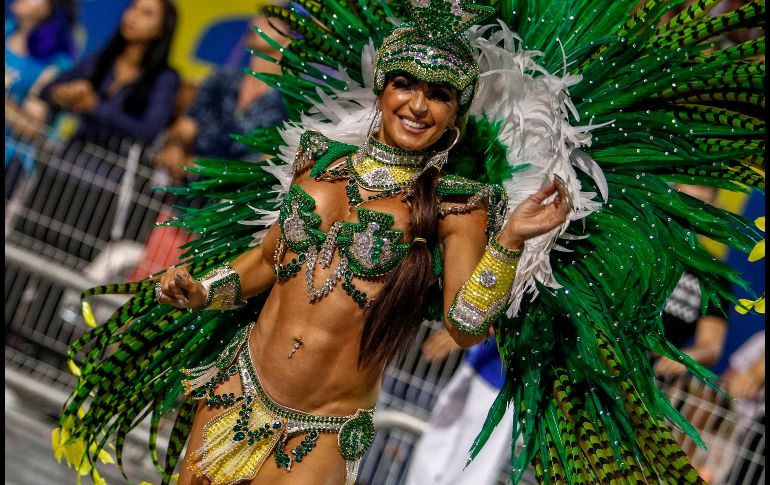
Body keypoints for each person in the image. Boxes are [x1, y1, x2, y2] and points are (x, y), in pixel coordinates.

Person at [54, 2, 764, 485]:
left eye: (437, 93)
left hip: (320, 431)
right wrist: (204, 289)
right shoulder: (317, 162)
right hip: (236, 389)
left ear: (456, 112)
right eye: (405, 84)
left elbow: (464, 320)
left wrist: (510, 241)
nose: (417, 103)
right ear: (383, 86)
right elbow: (268, 261)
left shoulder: (458, 204)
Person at [151, 15, 290, 183]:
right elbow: (185, 126)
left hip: (236, 203)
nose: (260, 22)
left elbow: (268, 162)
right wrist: (175, 147)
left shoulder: (287, 103)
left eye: (273, 21)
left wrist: (208, 168)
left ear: (288, 42)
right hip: (189, 192)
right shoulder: (220, 80)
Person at [40, 0, 179, 146]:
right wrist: (63, 94)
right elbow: (45, 91)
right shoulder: (101, 60)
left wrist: (94, 107)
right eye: (132, 7)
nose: (133, 16)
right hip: (73, 155)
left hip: (116, 164)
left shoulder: (164, 78)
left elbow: (147, 131)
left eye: (146, 13)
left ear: (161, 30)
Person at [404, 329, 514, 485]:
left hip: (506, 386)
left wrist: (471, 330)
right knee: (429, 459)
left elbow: (533, 317)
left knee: (469, 473)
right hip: (479, 363)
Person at [5, 0, 78, 196]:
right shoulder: (6, 29)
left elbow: (33, 128)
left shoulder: (55, 63)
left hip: (10, 159)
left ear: (48, 9)